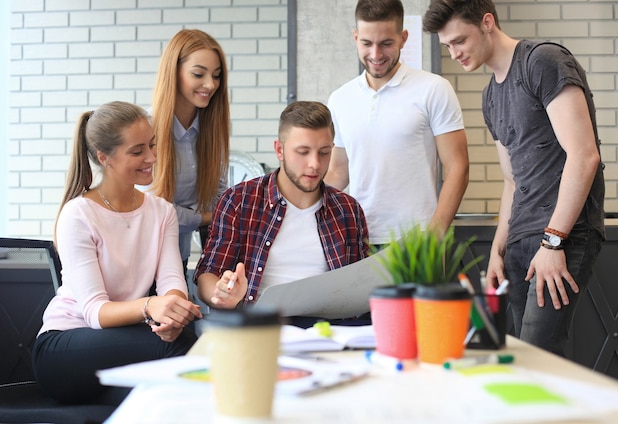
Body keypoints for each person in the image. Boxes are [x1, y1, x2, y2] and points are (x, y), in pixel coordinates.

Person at [423, 0, 605, 355]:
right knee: (525, 358)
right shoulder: (491, 95)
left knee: (540, 357)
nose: (455, 52)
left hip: (562, 235)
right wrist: (497, 250)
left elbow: (584, 156)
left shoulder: (542, 61)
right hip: (521, 240)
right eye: (448, 46)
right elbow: (511, 180)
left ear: (487, 22)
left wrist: (553, 243)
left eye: (460, 40)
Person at [32, 101, 202, 405]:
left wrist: (172, 314)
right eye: (137, 151)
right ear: (104, 157)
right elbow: (96, 313)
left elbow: (172, 281)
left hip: (126, 344)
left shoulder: (161, 212)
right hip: (64, 348)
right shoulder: (79, 214)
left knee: (165, 381)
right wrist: (152, 306)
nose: (151, 157)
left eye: (151, 145)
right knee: (180, 349)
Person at [195, 101, 369, 317]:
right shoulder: (239, 201)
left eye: (324, 152)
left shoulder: (348, 211)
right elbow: (207, 274)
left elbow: (359, 288)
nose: (315, 164)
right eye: (303, 152)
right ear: (279, 149)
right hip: (260, 326)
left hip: (328, 330)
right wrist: (222, 295)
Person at [324, 0, 469, 248]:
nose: (376, 55)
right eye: (367, 43)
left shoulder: (433, 89)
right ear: (355, 37)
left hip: (417, 241)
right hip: (359, 239)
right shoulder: (340, 98)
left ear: (403, 38)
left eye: (386, 43)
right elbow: (338, 172)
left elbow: (458, 167)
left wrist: (434, 237)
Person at [150, 29, 230, 273]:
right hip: (141, 263)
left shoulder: (210, 132)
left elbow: (218, 196)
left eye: (216, 76)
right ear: (173, 72)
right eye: (198, 74)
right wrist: (204, 218)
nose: (210, 85)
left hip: (178, 261)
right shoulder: (146, 131)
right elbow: (155, 211)